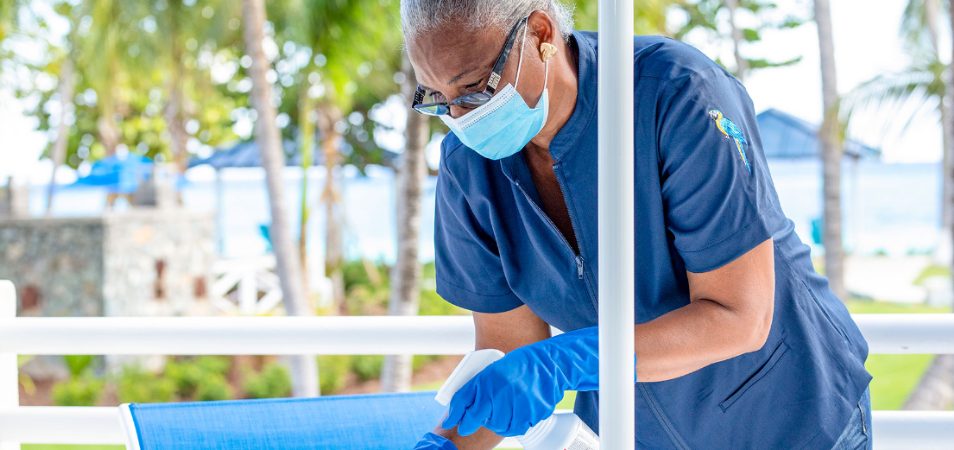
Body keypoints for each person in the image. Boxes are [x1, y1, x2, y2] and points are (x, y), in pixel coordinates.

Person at [401, 1, 873, 448]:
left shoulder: (676, 92)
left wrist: (568, 360)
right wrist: (447, 445)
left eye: (476, 87)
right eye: (437, 99)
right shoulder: (469, 170)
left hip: (789, 420)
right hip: (633, 434)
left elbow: (739, 317)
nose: (462, 117)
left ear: (540, 32)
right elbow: (510, 351)